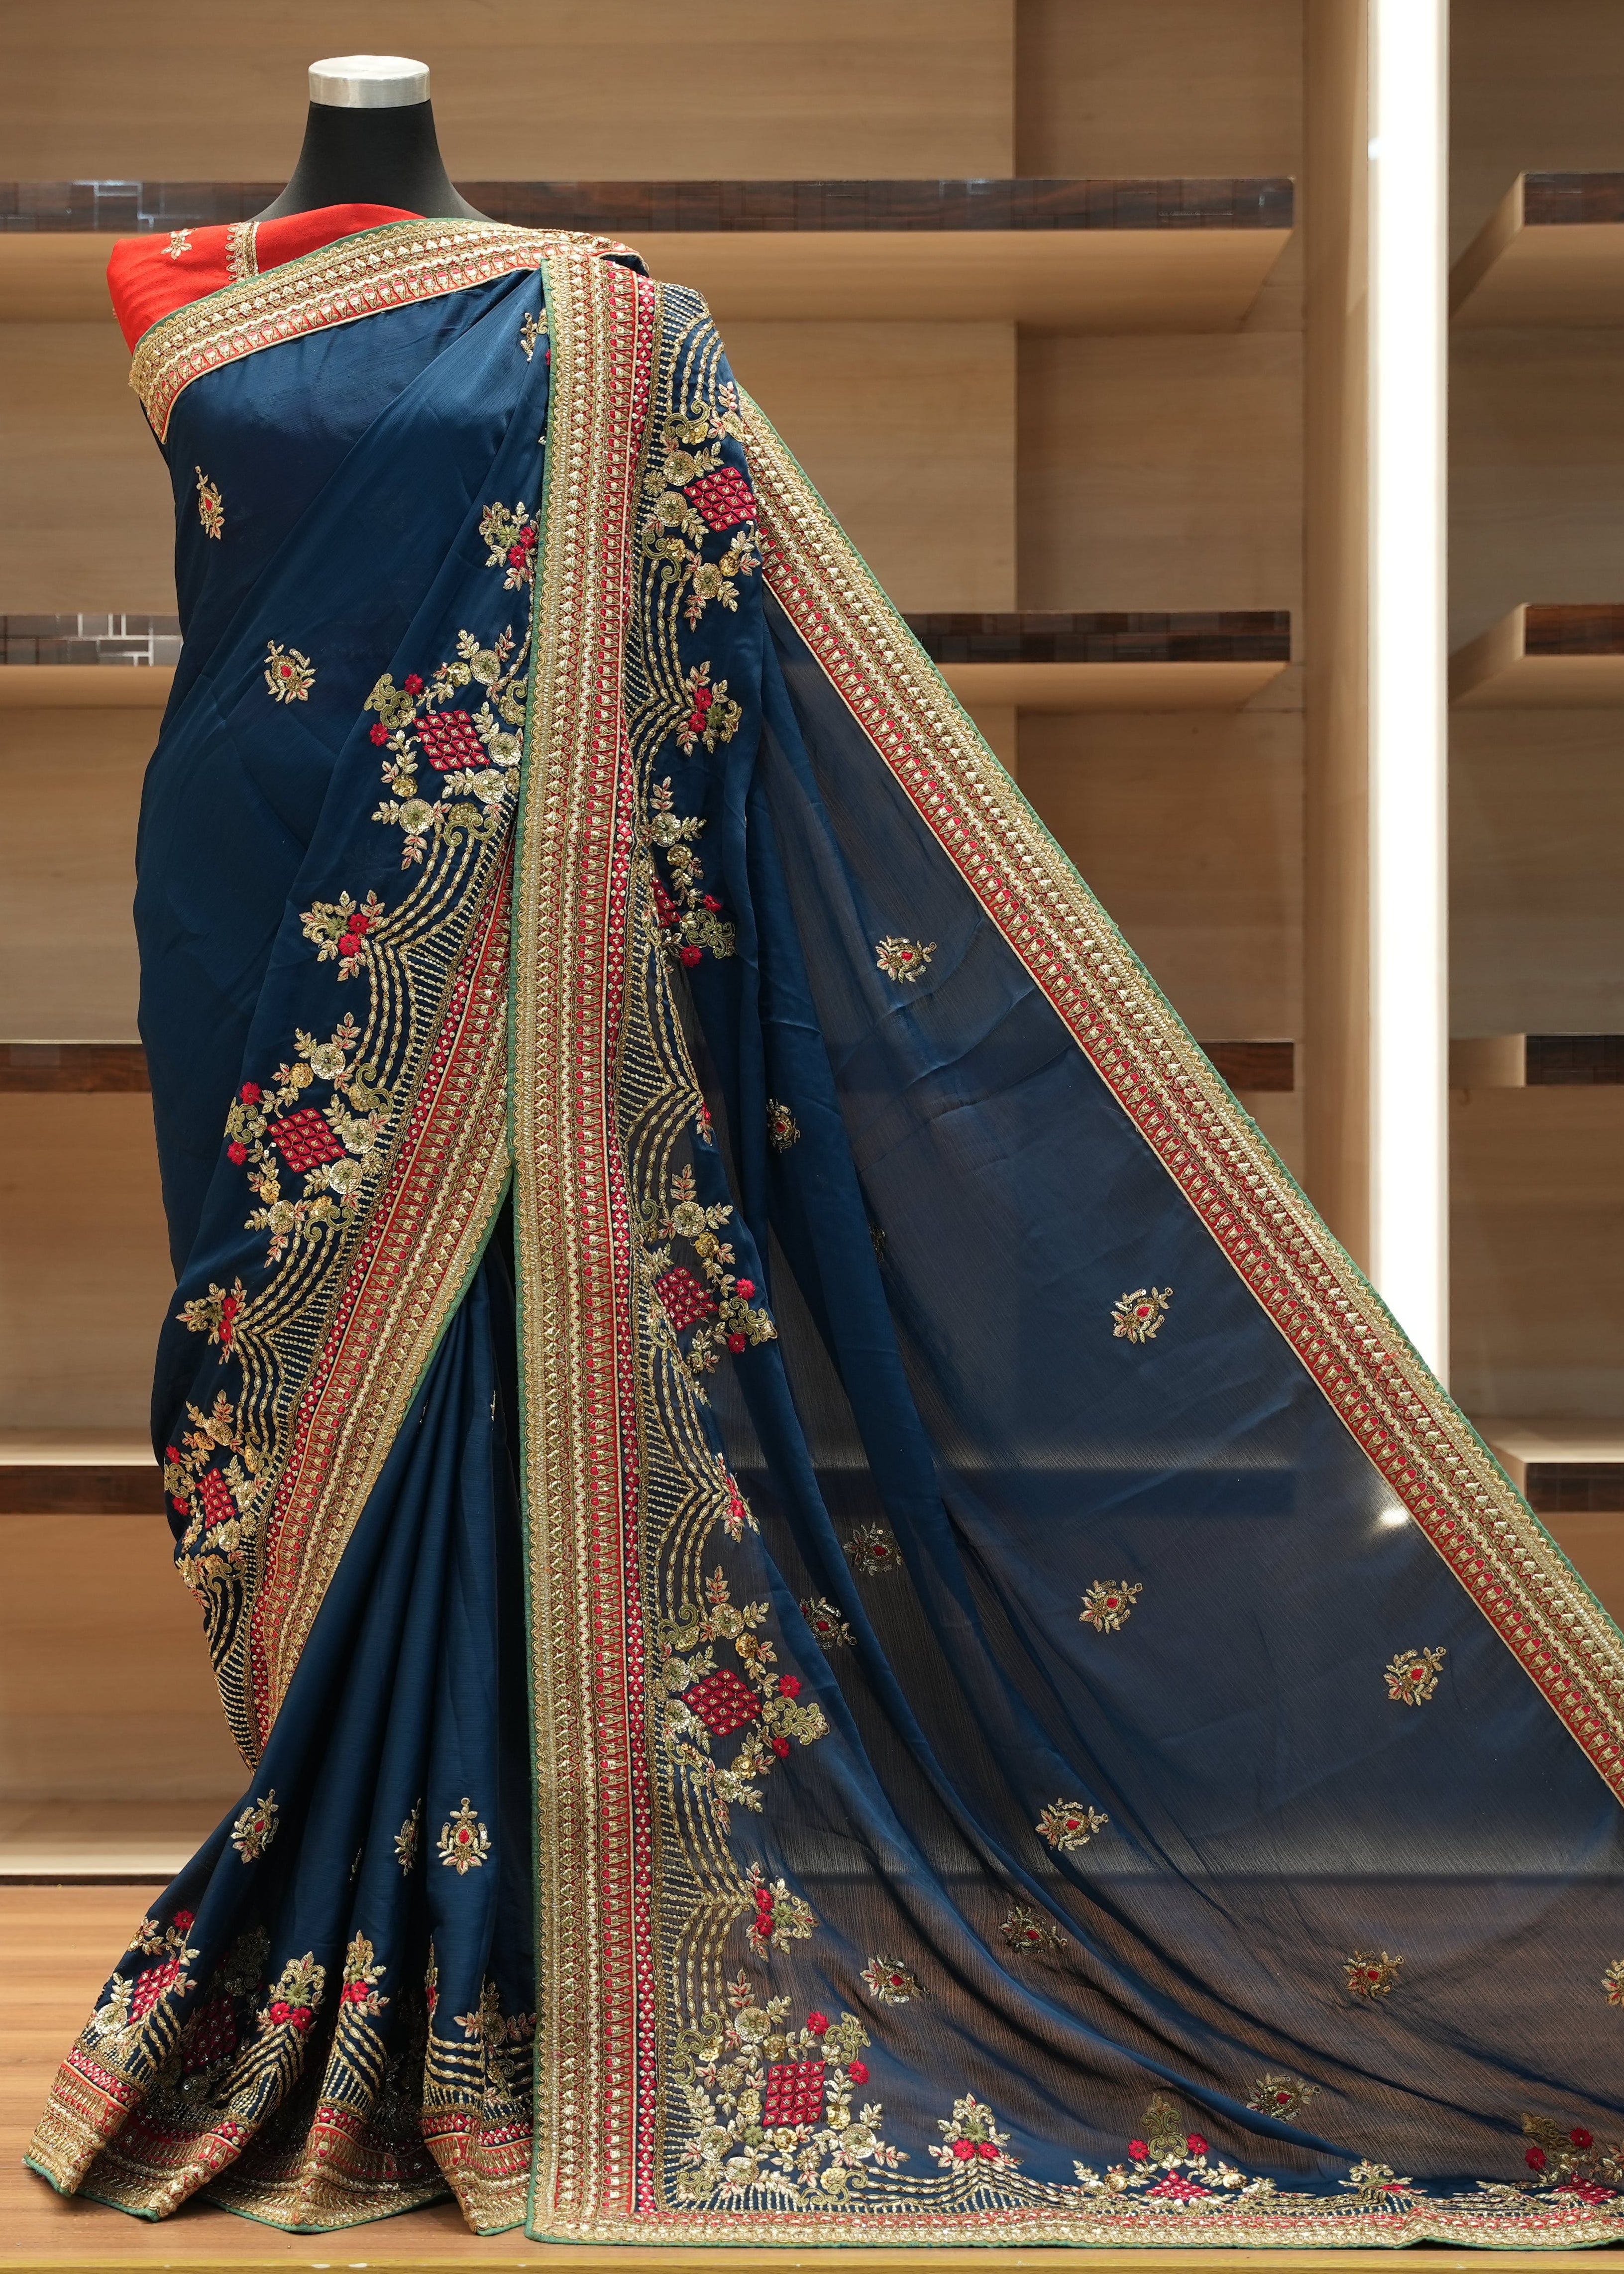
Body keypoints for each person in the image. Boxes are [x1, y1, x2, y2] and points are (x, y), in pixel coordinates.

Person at [25, 65, 1624, 2248]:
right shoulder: (172, 286)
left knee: (495, 1408)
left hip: (534, 934)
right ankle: (364, 1932)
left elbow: (688, 681)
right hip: (247, 916)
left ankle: (499, 1986)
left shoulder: (610, 331)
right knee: (284, 1420)